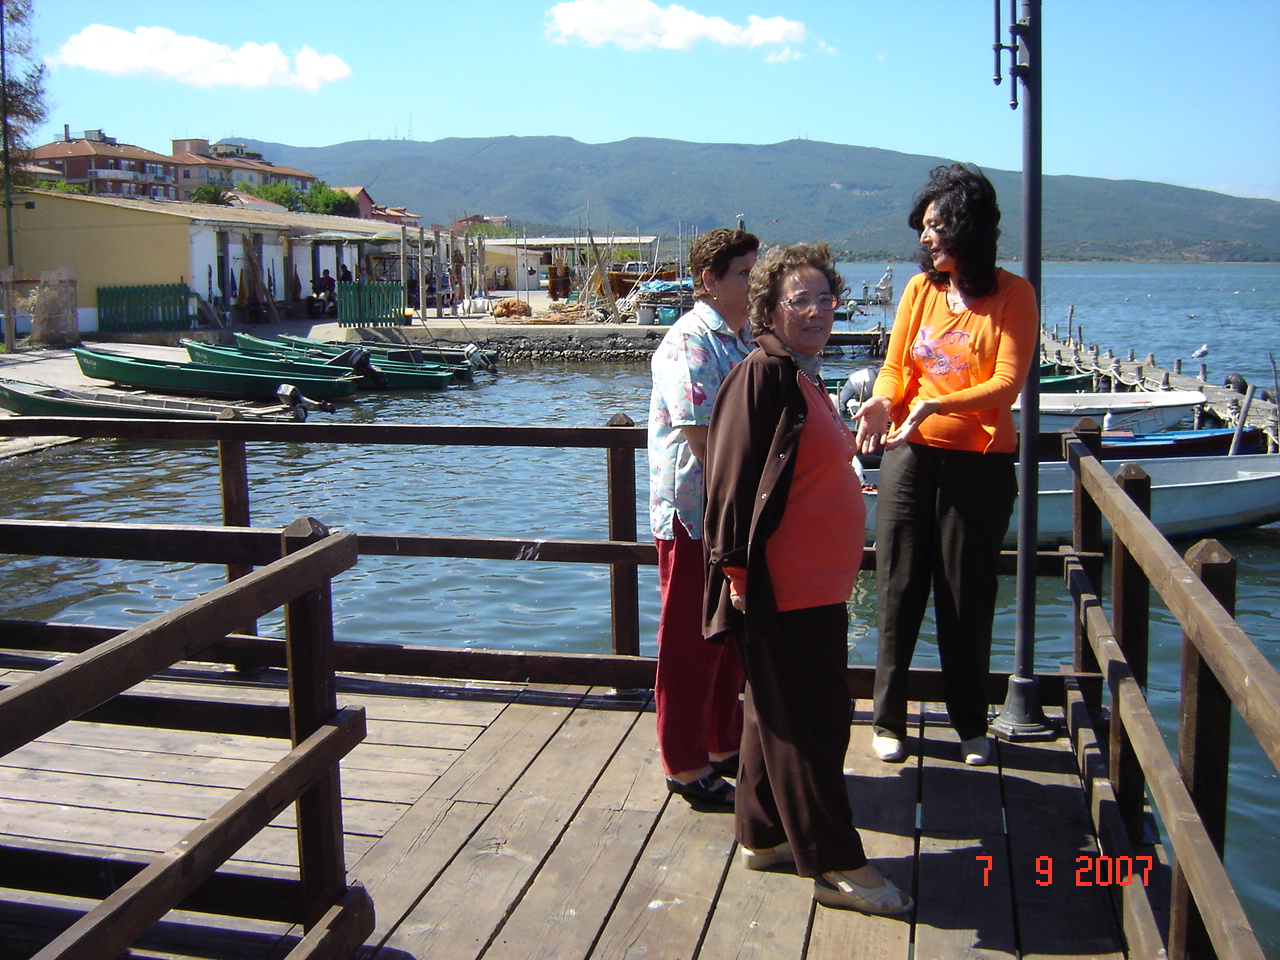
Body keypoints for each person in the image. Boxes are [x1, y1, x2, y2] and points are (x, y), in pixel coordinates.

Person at [702, 242, 912, 915]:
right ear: (769, 308)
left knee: (773, 714)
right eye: (802, 300)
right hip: (781, 591)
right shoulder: (762, 375)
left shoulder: (802, 374)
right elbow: (729, 483)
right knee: (812, 728)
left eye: (826, 298)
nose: (819, 311)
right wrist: (737, 573)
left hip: (815, 588)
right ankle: (838, 864)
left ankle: (762, 834)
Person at [853, 164, 1038, 767]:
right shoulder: (919, 291)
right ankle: (887, 719)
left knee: (967, 595)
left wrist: (936, 403)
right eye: (923, 227)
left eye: (936, 225)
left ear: (968, 227)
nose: (925, 237)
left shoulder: (1013, 294)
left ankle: (969, 723)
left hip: (980, 464)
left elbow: (1007, 383)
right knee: (897, 588)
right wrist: (884, 401)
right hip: (909, 456)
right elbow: (895, 368)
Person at [647, 227, 758, 808]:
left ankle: (721, 741)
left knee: (727, 635)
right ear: (710, 281)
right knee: (689, 640)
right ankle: (684, 762)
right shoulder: (690, 340)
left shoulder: (742, 339)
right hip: (694, 513)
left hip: (732, 511)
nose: (755, 282)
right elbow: (702, 435)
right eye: (744, 273)